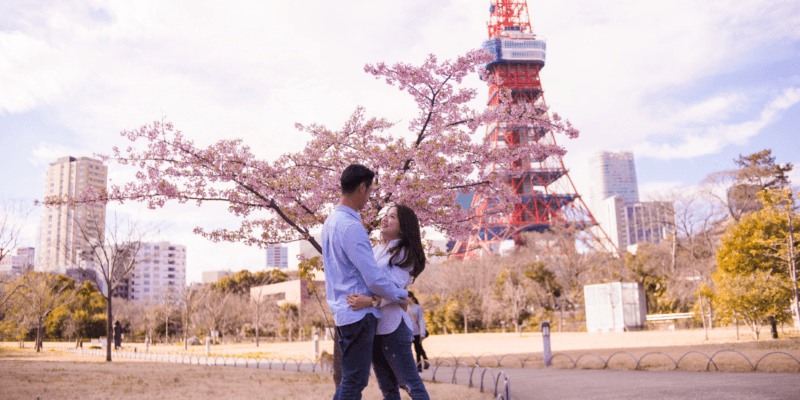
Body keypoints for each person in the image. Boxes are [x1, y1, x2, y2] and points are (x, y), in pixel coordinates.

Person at [323, 164, 409, 400]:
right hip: (358, 314)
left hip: (342, 309)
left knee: (350, 379)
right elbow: (373, 276)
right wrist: (399, 294)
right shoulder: (352, 227)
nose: (370, 197)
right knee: (355, 381)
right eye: (370, 191)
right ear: (362, 187)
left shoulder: (330, 222)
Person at [347, 204, 430, 400]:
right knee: (388, 389)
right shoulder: (376, 249)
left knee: (411, 384)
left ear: (403, 227)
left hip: (393, 327)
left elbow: (396, 288)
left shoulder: (404, 252)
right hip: (372, 327)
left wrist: (370, 301)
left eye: (392, 217)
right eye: (385, 215)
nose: (385, 219)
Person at [407, 291, 429, 372]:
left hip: (417, 333)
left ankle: (419, 367)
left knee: (418, 349)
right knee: (415, 349)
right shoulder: (406, 307)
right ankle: (426, 361)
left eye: (407, 297)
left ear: (411, 297)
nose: (406, 299)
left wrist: (422, 333)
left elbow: (421, 320)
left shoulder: (418, 307)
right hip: (409, 332)